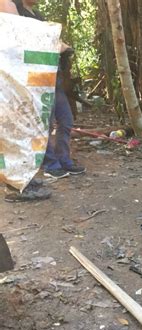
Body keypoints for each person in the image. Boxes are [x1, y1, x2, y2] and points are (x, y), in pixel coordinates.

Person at [14, 0, 85, 179]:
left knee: (66, 120)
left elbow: (52, 39)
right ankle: (50, 164)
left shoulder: (38, 15)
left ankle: (64, 161)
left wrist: (64, 47)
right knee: (44, 122)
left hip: (53, 76)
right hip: (36, 77)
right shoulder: (17, 11)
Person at [0, 0, 52, 201]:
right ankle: (16, 187)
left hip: (11, 80)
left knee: (16, 131)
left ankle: (20, 179)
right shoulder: (6, 4)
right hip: (10, 81)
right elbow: (16, 40)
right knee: (15, 132)